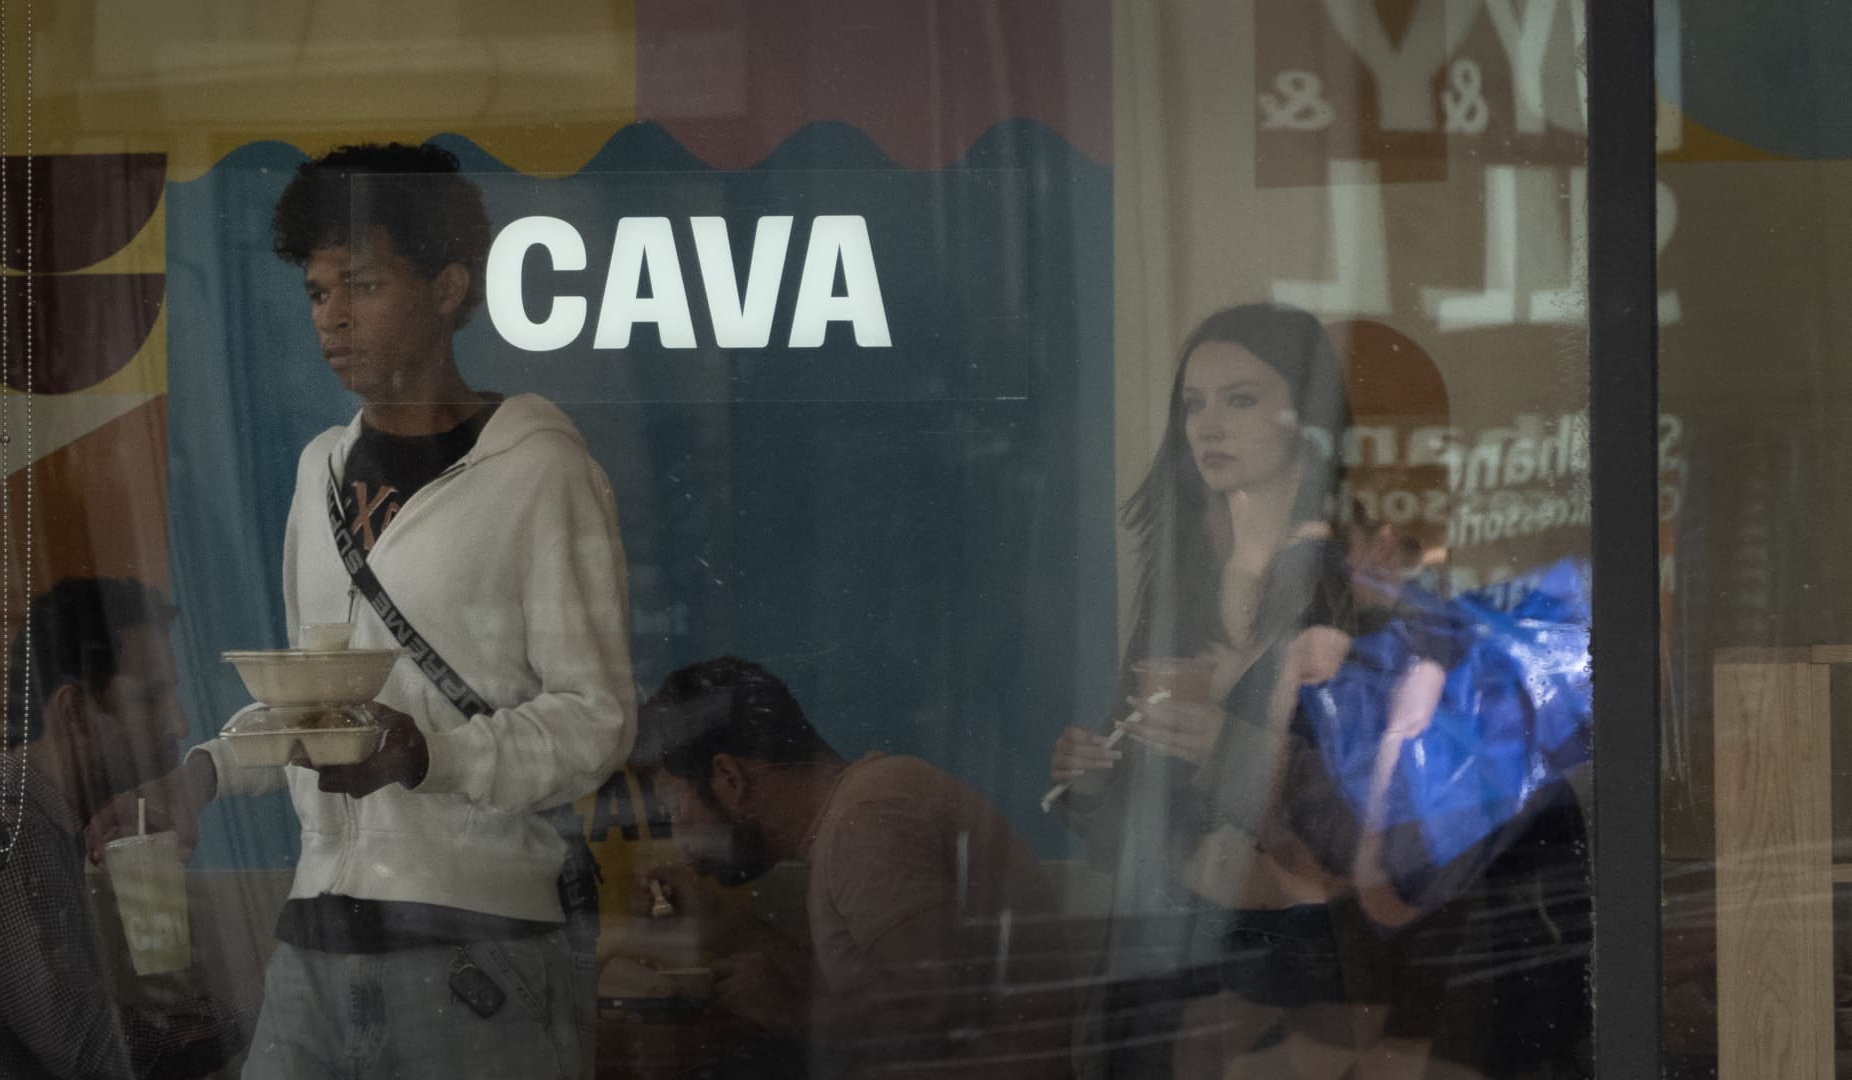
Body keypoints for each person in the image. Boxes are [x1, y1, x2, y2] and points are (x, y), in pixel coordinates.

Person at [86, 142, 636, 1079]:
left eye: (366, 286)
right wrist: (200, 776)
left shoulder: (542, 471)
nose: (333, 317)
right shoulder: (320, 471)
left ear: (448, 288)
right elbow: (312, 706)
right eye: (317, 292)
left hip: (478, 945)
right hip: (317, 933)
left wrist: (431, 755)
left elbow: (598, 719)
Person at [1046, 303, 1589, 1077]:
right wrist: (1097, 785)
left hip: (1321, 982)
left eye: (1240, 399)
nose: (1209, 426)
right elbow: (1146, 831)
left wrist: (1230, 748)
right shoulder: (1181, 589)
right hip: (1184, 962)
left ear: (1308, 420)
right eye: (1193, 404)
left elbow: (1390, 834)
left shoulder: (1363, 590)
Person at [633, 657, 1073, 1079]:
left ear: (729, 777)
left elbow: (936, 1008)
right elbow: (878, 989)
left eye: (674, 808)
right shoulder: (859, 810)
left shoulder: (866, 822)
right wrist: (728, 927)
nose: (679, 838)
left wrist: (792, 1011)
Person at [0, 577, 258, 1080]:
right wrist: (275, 1006)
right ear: (74, 713)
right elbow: (88, 1046)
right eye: (152, 699)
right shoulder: (11, 820)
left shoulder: (74, 825)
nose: (179, 724)